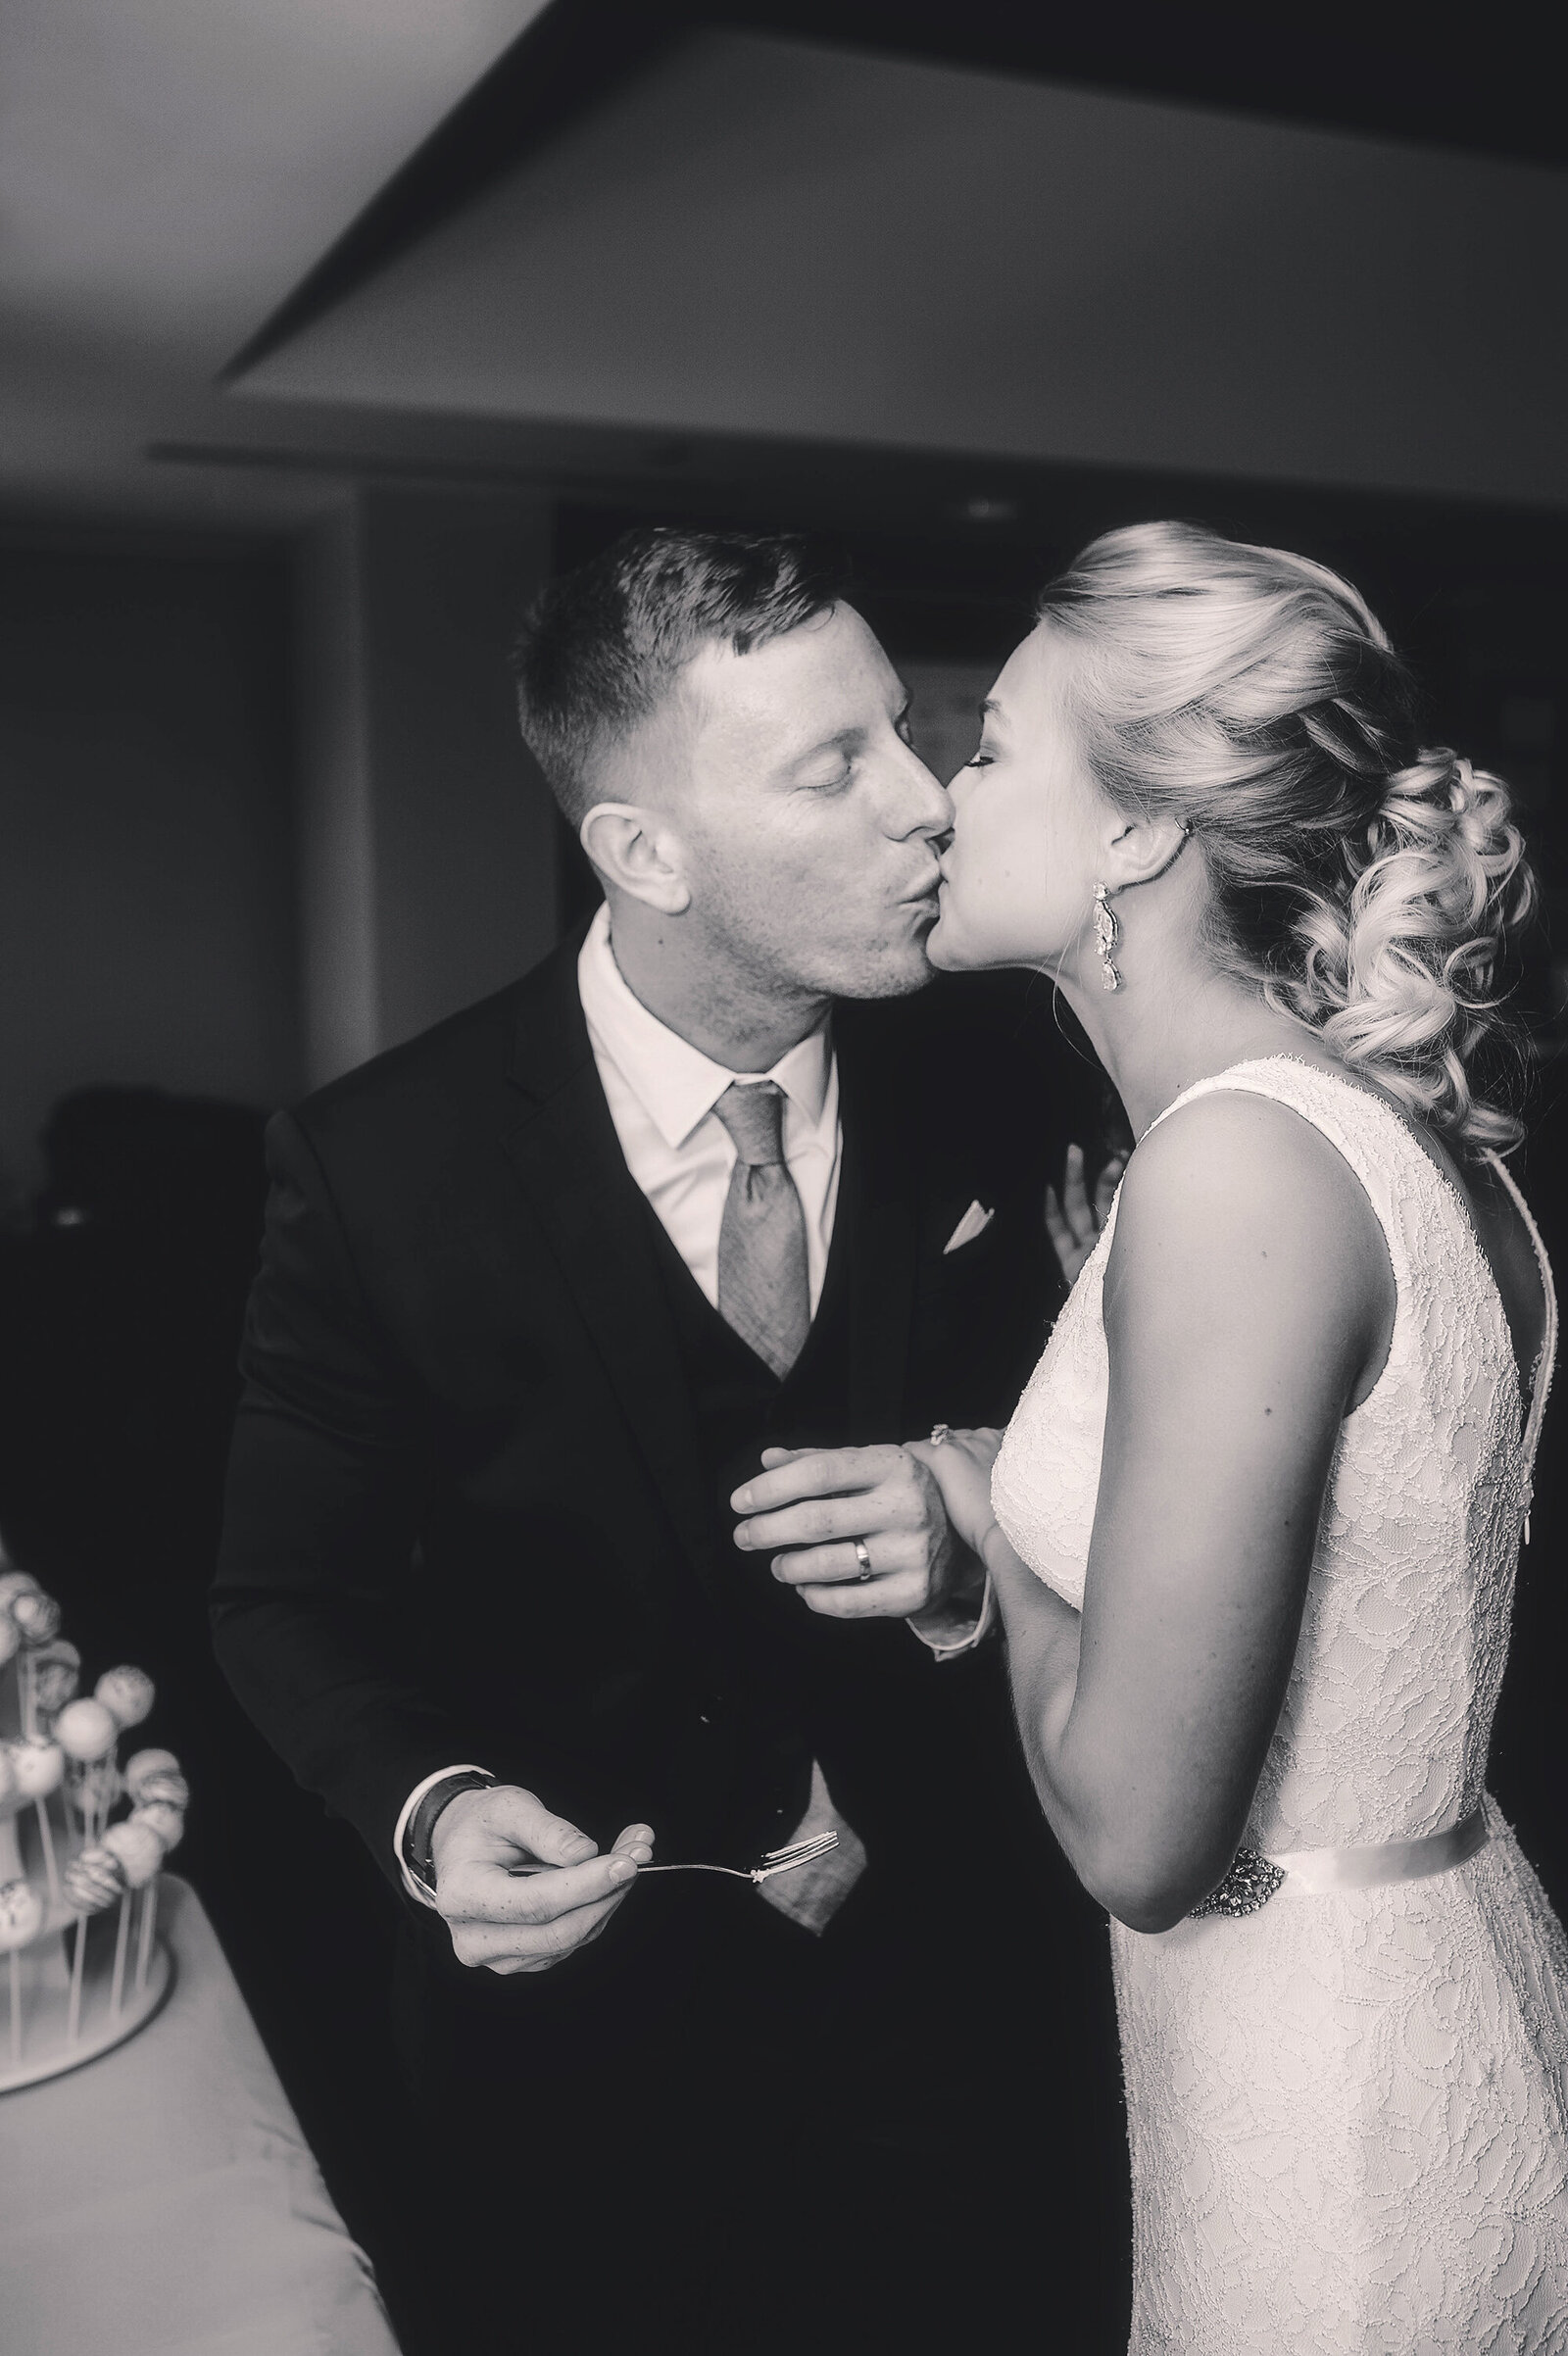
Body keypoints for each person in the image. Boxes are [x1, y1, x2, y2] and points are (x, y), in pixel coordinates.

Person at [211, 528, 1126, 2354]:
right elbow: (279, 1594)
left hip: (975, 2008)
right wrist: (437, 1807)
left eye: (910, 731)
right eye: (833, 764)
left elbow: (1136, 1428)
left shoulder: (1025, 1065)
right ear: (643, 851)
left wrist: (976, 1520)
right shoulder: (381, 1165)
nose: (928, 802)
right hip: (579, 2066)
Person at [738, 522, 1567, 2351]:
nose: (941, 799)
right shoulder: (1377, 1132)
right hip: (1409, 1996)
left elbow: (1138, 1838)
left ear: (1133, 831)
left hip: (1328, 2114)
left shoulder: (1234, 1170)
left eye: (990, 745)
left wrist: (993, 1528)